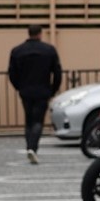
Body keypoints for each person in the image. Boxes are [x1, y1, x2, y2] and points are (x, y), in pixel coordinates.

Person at [8, 24, 63, 165]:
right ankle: (33, 148)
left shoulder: (17, 51)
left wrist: (18, 87)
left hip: (25, 90)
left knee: (29, 119)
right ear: (40, 34)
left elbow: (12, 73)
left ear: (28, 33)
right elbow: (57, 72)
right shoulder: (49, 50)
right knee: (38, 120)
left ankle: (29, 147)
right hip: (43, 90)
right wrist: (53, 89)